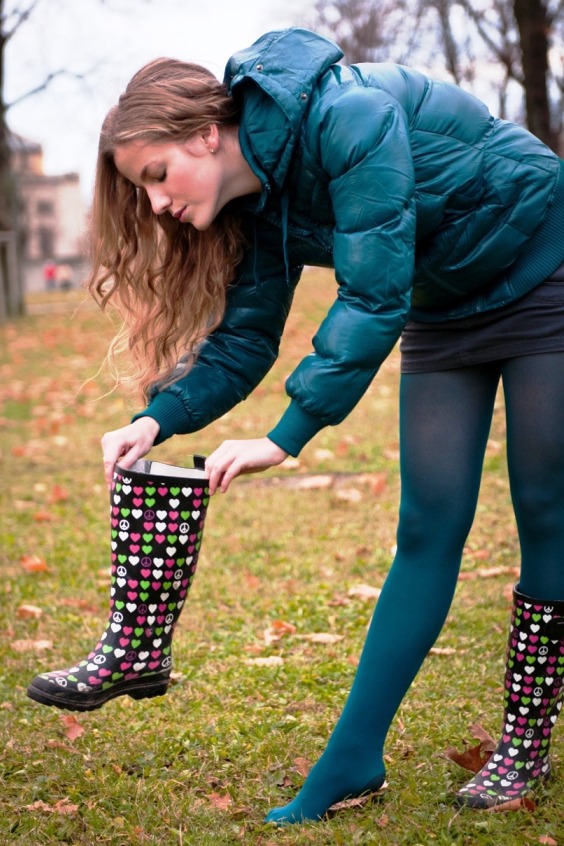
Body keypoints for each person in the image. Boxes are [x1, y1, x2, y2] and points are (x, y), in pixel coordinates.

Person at [32, 27, 564, 822]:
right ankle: (352, 760)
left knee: (546, 507)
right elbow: (245, 339)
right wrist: (156, 420)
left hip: (544, 261)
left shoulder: (349, 116)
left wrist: (286, 435)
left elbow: (371, 294)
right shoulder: (259, 201)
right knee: (428, 523)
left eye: (157, 176)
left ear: (205, 134)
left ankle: (523, 745)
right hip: (443, 301)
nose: (157, 203)